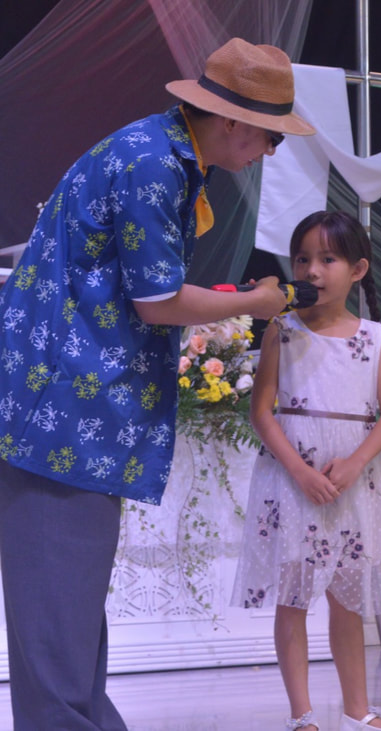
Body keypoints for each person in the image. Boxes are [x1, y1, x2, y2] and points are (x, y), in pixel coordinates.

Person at [0, 37, 315, 729]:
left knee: (67, 617)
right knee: (58, 621)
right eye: (270, 137)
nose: (270, 152)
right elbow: (158, 301)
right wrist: (256, 300)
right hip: (64, 406)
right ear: (232, 120)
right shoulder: (154, 163)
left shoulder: (163, 153)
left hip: (77, 403)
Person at [231, 211, 381, 731]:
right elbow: (262, 412)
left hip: (354, 482)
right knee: (293, 597)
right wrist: (299, 472)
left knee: (349, 600)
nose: (312, 270)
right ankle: (302, 716)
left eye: (327, 259)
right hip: (296, 481)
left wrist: (356, 462)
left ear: (357, 269)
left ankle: (359, 711)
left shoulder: (374, 337)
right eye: (302, 259)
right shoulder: (283, 330)